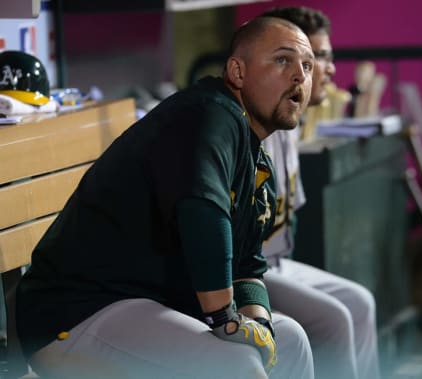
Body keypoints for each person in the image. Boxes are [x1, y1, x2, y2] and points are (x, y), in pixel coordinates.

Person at [15, 17, 316, 379]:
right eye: (283, 60)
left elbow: (248, 268)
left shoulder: (257, 162)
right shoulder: (211, 113)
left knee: (290, 342)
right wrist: (227, 320)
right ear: (237, 71)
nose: (300, 75)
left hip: (148, 310)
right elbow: (204, 211)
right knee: (236, 365)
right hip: (77, 313)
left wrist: (260, 328)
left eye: (308, 66)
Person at [260, 7, 381, 379]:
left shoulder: (291, 120)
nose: (325, 69)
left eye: (321, 59)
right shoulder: (258, 126)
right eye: (315, 59)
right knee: (333, 319)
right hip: (249, 270)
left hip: (276, 261)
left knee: (360, 302)